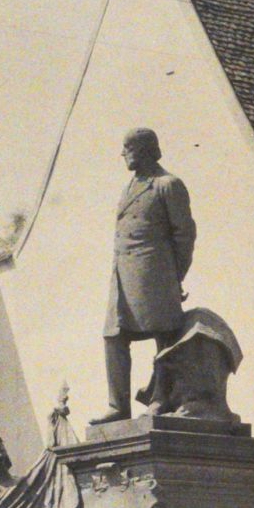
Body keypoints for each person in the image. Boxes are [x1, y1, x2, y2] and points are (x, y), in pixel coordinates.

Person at [94, 126, 197, 426]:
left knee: (163, 334)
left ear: (147, 149)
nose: (123, 153)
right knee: (113, 336)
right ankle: (118, 405)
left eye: (128, 147)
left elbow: (185, 235)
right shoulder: (129, 186)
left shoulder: (168, 184)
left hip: (155, 272)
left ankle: (160, 398)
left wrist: (175, 276)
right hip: (123, 274)